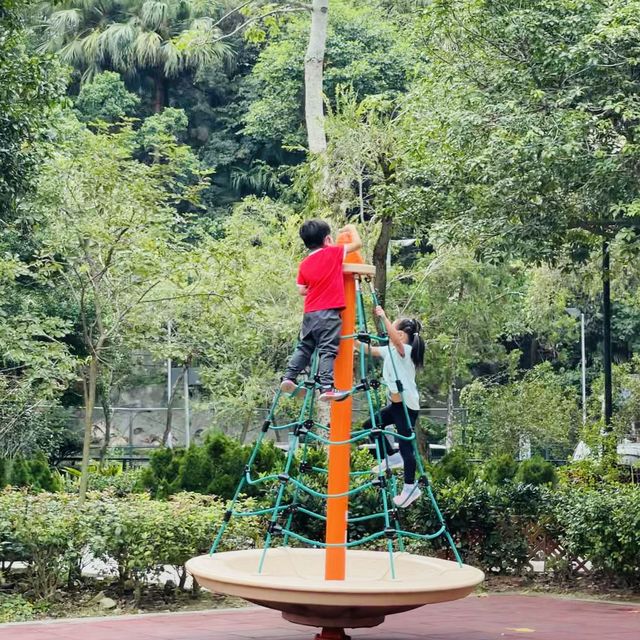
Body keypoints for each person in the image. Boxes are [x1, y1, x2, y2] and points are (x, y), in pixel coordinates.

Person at [281, 219, 362, 402]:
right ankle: (326, 387)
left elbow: (302, 290)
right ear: (327, 240)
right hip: (328, 313)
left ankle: (288, 377)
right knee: (328, 349)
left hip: (310, 313)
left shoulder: (304, 264)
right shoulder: (332, 253)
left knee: (305, 346)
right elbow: (357, 244)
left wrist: (317, 287)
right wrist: (352, 228)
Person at [359, 306, 425, 508]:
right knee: (371, 425)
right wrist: (347, 337)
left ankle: (410, 488)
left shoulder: (406, 350)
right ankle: (391, 456)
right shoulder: (390, 350)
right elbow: (367, 349)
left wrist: (383, 317)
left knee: (406, 445)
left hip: (407, 406)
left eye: (393, 330)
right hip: (396, 405)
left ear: (401, 335)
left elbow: (395, 341)